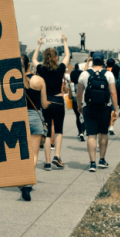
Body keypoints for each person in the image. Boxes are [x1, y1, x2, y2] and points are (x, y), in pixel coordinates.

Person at [32, 35, 70, 171]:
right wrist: (65, 42)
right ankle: (57, 157)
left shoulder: (41, 69)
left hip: (45, 101)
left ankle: (47, 162)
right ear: (55, 57)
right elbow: (67, 55)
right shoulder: (60, 68)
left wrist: (38, 45)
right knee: (59, 130)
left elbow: (34, 59)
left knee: (47, 132)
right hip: (58, 101)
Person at [76, 52, 118, 172]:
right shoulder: (109, 74)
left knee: (91, 135)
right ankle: (102, 160)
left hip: (89, 107)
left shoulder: (84, 74)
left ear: (92, 60)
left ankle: (92, 163)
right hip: (104, 107)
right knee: (103, 133)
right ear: (103, 61)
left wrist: (79, 106)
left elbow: (79, 93)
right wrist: (115, 109)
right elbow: (113, 93)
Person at [21, 54, 49, 200]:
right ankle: (27, 183)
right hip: (34, 116)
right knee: (33, 153)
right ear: (28, 65)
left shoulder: (11, 80)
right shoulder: (39, 80)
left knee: (20, 153)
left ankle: (21, 178)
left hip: (17, 118)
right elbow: (44, 104)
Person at [69, 64, 85, 141]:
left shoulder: (71, 84)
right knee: (83, 117)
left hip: (74, 101)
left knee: (77, 117)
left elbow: (69, 96)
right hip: (82, 100)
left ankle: (79, 132)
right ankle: (82, 131)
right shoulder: (82, 84)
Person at [106, 59, 118, 135]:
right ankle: (111, 126)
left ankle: (107, 125)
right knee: (113, 109)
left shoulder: (104, 71)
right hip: (113, 91)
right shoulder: (115, 71)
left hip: (105, 92)